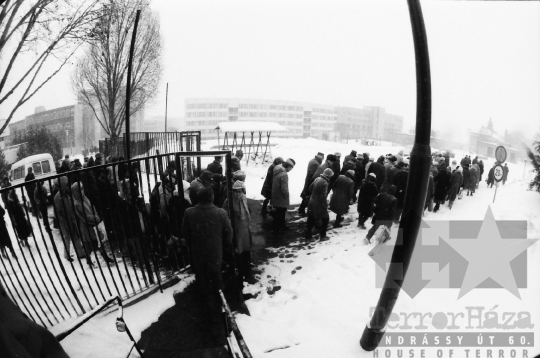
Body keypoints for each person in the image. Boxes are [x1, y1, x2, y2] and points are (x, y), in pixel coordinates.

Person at [182, 187, 233, 316]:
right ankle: (219, 299)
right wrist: (225, 245)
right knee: (216, 273)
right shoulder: (221, 213)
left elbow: (185, 233)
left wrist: (191, 244)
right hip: (215, 250)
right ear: (212, 197)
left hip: (197, 250)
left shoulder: (189, 212)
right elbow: (229, 233)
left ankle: (203, 303)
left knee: (200, 274)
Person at [71, 182, 113, 266]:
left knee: (98, 241)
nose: (82, 191)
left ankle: (105, 258)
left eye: (82, 189)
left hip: (93, 225)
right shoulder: (77, 204)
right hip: (87, 227)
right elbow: (85, 217)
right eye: (80, 190)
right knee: (89, 244)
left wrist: (96, 215)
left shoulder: (84, 198)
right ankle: (89, 259)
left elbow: (92, 208)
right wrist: (96, 218)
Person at [223, 180, 252, 281]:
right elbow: (224, 215)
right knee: (238, 247)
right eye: (236, 191)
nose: (238, 194)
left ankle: (246, 262)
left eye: (240, 191)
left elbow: (247, 209)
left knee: (246, 246)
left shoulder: (244, 198)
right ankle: (240, 267)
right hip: (236, 228)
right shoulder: (229, 201)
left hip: (244, 226)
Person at [54, 177, 85, 260]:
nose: (68, 186)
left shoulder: (67, 194)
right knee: (67, 237)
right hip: (64, 221)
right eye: (66, 185)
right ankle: (67, 255)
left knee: (75, 236)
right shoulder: (58, 197)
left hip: (71, 219)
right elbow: (57, 212)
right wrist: (62, 222)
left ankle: (81, 253)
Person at [305, 168, 333, 241]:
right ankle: (323, 236)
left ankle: (308, 236)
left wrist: (314, 194)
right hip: (319, 204)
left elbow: (310, 188)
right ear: (328, 176)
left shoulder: (317, 178)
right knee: (326, 219)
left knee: (311, 218)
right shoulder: (325, 182)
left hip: (312, 201)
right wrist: (325, 204)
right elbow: (323, 196)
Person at [271, 158, 295, 231]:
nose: (291, 170)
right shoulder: (284, 174)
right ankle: (280, 227)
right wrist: (287, 195)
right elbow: (284, 188)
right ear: (289, 166)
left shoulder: (277, 170)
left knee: (278, 212)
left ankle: (276, 225)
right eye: (291, 168)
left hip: (275, 194)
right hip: (281, 197)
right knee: (281, 212)